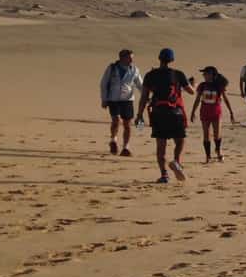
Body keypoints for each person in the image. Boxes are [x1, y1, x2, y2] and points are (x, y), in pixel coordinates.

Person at [136, 48, 191, 183]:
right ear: (172, 60)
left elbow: (144, 97)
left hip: (158, 113)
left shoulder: (150, 75)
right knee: (180, 140)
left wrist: (139, 114)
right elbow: (191, 91)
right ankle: (176, 161)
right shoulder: (178, 74)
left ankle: (164, 174)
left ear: (159, 58)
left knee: (161, 145)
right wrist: (192, 84)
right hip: (175, 113)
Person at [99, 48, 143, 157]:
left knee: (127, 124)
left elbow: (140, 85)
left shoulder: (134, 69)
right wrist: (104, 99)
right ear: (122, 58)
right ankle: (113, 140)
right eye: (129, 58)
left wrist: (147, 96)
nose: (131, 60)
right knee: (116, 120)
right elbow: (104, 83)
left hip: (127, 99)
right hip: (113, 98)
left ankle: (126, 147)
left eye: (132, 58)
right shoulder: (112, 68)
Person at [190, 66, 236, 163]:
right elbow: (197, 99)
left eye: (205, 73)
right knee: (206, 135)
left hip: (216, 112)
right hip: (204, 112)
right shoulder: (202, 86)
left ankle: (218, 151)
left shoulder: (219, 86)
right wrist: (193, 112)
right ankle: (208, 156)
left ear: (211, 75)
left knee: (217, 134)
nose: (204, 75)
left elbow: (225, 99)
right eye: (204, 74)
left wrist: (231, 112)